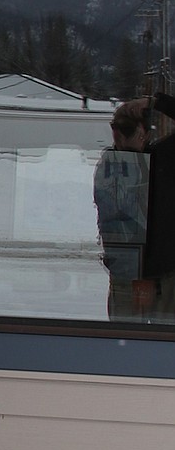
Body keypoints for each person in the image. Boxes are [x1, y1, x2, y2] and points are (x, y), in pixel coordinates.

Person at [93, 100, 150, 318]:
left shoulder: (113, 163)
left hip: (129, 265)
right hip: (132, 266)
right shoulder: (122, 164)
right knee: (132, 330)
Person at [139, 91, 175, 320]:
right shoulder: (121, 163)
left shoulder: (165, 154)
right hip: (137, 268)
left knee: (162, 337)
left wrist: (154, 102)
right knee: (130, 331)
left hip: (168, 267)